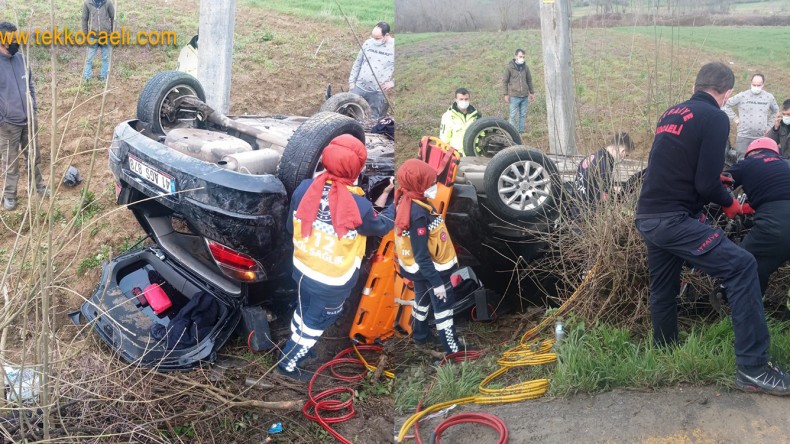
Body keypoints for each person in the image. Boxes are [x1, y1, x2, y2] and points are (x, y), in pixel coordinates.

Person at [636, 62, 790, 395]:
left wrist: (711, 186)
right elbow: (707, 185)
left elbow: (676, 167)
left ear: (698, 84)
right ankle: (754, 368)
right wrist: (728, 202)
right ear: (727, 92)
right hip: (674, 219)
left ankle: (664, 352)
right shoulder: (716, 117)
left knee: (663, 287)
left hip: (648, 215)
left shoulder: (670, 113)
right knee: (743, 265)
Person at [278, 135, 394, 381]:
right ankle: (289, 363)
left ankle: (299, 346)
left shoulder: (304, 188)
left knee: (303, 310)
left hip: (301, 268)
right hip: (331, 281)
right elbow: (383, 226)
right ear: (357, 168)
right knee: (317, 320)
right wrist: (397, 202)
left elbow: (290, 227)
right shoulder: (359, 206)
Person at [394, 159, 462, 355]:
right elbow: (422, 255)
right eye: (431, 183)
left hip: (418, 272)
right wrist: (437, 283)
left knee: (421, 301)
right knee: (444, 309)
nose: (434, 186)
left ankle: (421, 336)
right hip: (432, 272)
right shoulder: (418, 215)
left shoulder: (408, 199)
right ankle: (453, 349)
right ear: (418, 184)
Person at [727, 138, 790, 308]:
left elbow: (719, 182)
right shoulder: (786, 164)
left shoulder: (748, 163)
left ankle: (746, 309)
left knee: (745, 262)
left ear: (751, 152)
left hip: (776, 225)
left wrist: (726, 202)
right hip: (780, 215)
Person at [0, 21, 47, 211]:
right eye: (11, 39)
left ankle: (37, 186)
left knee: (34, 155)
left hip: (29, 119)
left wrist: (33, 108)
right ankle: (9, 195)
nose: (15, 42)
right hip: (8, 124)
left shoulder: (21, 59)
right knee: (10, 161)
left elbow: (30, 86)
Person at [723, 73, 779, 159]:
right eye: (754, 85)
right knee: (742, 160)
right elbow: (726, 104)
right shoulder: (742, 95)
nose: (756, 87)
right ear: (751, 83)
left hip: (760, 137)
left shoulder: (769, 97)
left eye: (759, 85)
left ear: (763, 84)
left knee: (758, 161)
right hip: (743, 136)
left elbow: (776, 111)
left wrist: (769, 126)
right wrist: (735, 118)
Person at [574, 132, 635, 206]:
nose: (624, 158)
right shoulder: (606, 165)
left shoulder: (595, 156)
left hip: (575, 204)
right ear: (623, 151)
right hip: (588, 210)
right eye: (626, 155)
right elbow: (604, 197)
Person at [348, 21, 394, 120]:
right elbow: (358, 63)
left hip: (377, 92)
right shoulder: (368, 43)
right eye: (373, 37)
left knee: (372, 119)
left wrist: (391, 83)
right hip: (359, 87)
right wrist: (352, 82)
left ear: (386, 35)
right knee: (349, 113)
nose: (374, 40)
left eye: (377, 38)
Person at [502, 49, 535, 134]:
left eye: (523, 57)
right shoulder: (510, 67)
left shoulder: (526, 67)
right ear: (516, 56)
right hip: (514, 96)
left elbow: (529, 80)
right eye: (520, 56)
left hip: (524, 96)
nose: (522, 58)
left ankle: (521, 132)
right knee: (513, 116)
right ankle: (511, 133)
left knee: (522, 115)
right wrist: (505, 94)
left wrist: (532, 93)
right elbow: (505, 81)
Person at [438, 88, 480, 153]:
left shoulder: (476, 115)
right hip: (457, 156)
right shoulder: (448, 116)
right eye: (461, 99)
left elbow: (481, 136)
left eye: (466, 99)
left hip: (474, 155)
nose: (464, 101)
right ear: (456, 100)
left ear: (469, 99)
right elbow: (444, 140)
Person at [82, 0, 115, 82]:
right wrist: (85, 35)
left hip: (106, 36)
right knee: (89, 58)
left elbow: (113, 18)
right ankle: (87, 78)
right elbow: (84, 19)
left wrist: (112, 33)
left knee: (105, 58)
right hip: (93, 36)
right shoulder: (87, 3)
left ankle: (103, 77)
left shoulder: (108, 3)